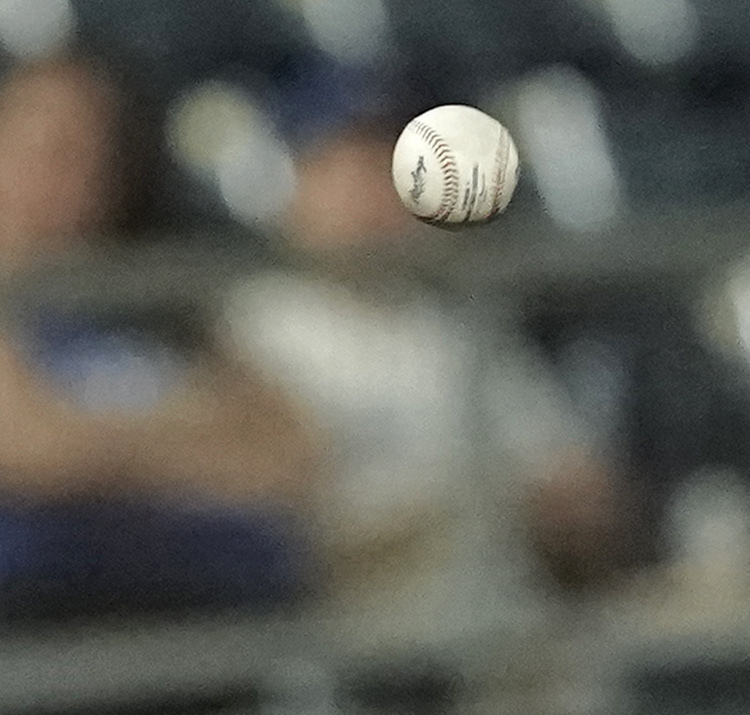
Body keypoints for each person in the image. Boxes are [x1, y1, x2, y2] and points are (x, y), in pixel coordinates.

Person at [221, 75, 625, 619]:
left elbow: (573, 485)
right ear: (297, 183)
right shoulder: (254, 322)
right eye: (348, 169)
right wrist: (483, 508)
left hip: (508, 618)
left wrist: (563, 509)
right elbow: (305, 531)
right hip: (356, 635)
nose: (373, 196)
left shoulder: (456, 325)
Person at [0, 58, 316, 622]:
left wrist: (103, 452)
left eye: (102, 158)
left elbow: (290, 453)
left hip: (219, 613)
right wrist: (198, 442)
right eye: (53, 148)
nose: (77, 179)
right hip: (48, 628)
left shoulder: (152, 303)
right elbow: (35, 454)